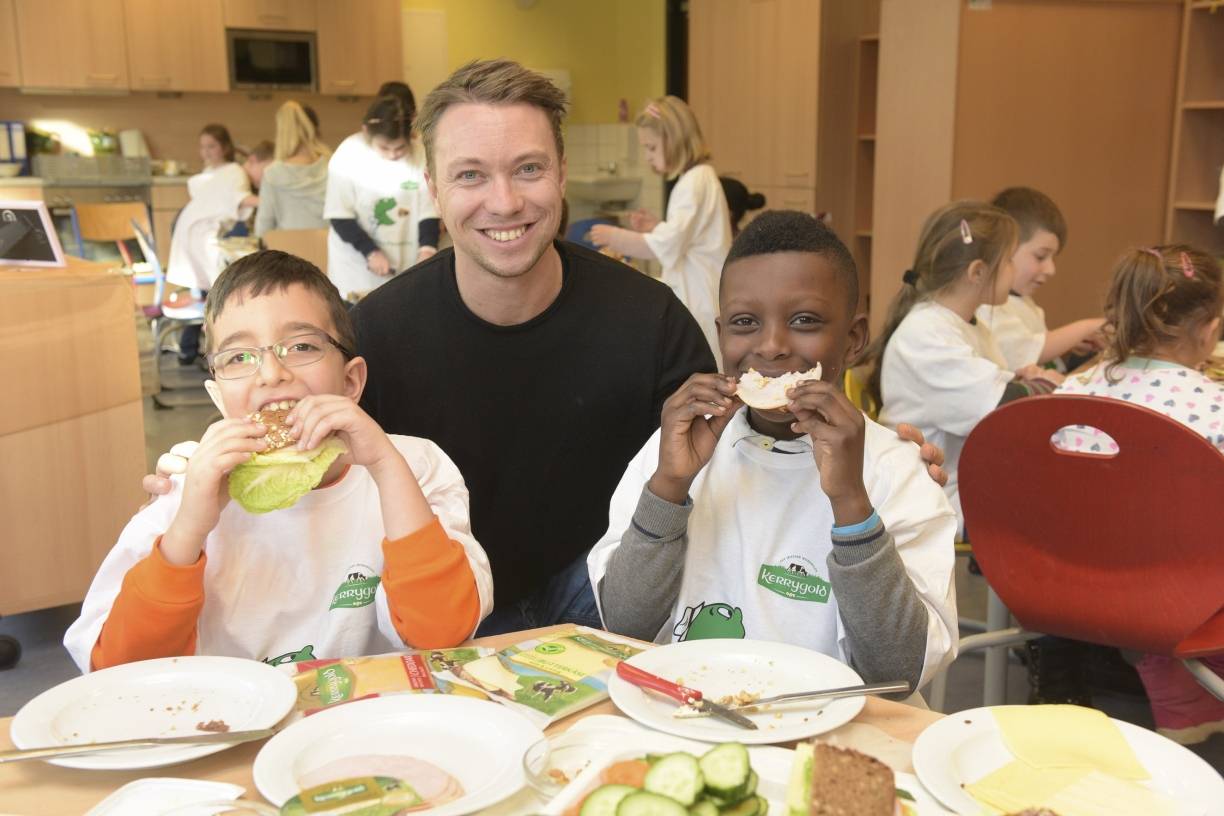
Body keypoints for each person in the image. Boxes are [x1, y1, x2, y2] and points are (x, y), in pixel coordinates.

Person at [143, 60, 948, 637]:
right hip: (436, 607)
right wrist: (201, 474)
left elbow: (740, 427)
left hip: (599, 602)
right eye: (470, 175)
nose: (504, 201)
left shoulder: (651, 319)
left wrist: (881, 452)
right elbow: (318, 457)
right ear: (432, 187)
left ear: (562, 175)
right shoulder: (378, 330)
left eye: (528, 168)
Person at [64, 251, 492, 671]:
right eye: (239, 357)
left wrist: (385, 464)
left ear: (350, 381)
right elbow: (119, 670)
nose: (271, 373)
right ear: (218, 398)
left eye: (301, 345)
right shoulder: (186, 488)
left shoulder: (414, 467)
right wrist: (187, 528)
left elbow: (443, 637)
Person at [589, 211, 958, 693]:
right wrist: (670, 487)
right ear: (721, 335)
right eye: (745, 322)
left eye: (804, 320)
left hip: (830, 739)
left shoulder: (895, 472)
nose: (773, 345)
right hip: (692, 722)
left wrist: (851, 502)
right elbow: (624, 627)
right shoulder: (671, 454)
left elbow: (897, 674)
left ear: (852, 339)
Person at [1049, 245, 1224, 742]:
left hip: (1065, 585)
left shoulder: (1070, 392)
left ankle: (1174, 682)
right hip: (1180, 594)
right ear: (1210, 330)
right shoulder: (1215, 407)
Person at [870, 201, 1063, 531]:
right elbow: (1006, 407)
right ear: (977, 272)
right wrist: (1044, 383)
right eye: (1008, 262)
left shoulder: (966, 324)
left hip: (960, 479)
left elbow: (989, 382)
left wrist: (1019, 376)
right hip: (935, 494)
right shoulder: (926, 334)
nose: (1013, 272)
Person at [589, 96, 732, 357]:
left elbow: (667, 244)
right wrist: (657, 227)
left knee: (702, 363)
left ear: (675, 141)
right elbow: (685, 235)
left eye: (652, 148)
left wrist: (616, 237)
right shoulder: (699, 178)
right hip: (702, 292)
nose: (647, 157)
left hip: (698, 297)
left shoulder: (694, 182)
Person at [324, 85, 440, 300]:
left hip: (405, 267)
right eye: (385, 148)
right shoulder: (349, 154)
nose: (394, 155)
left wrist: (427, 250)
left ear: (411, 135)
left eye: (400, 149)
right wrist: (371, 252)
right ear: (367, 132)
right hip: (356, 271)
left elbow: (428, 211)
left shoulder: (420, 153)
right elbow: (340, 216)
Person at [975, 187, 1104, 370]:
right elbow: (1025, 353)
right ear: (1004, 249)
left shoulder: (1022, 302)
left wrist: (1068, 345)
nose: (1051, 269)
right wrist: (1087, 328)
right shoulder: (988, 307)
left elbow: (1037, 349)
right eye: (1040, 256)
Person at [166, 124, 258, 364]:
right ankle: (208, 351)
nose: (206, 151)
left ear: (224, 147)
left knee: (210, 291)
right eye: (203, 146)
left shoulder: (233, 171)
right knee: (214, 292)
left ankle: (196, 349)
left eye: (212, 146)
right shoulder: (210, 174)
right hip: (201, 239)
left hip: (209, 236)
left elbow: (239, 199)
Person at [255, 101, 331, 237]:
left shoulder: (273, 174)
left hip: (287, 255)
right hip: (328, 253)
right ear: (316, 130)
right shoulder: (332, 166)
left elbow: (263, 229)